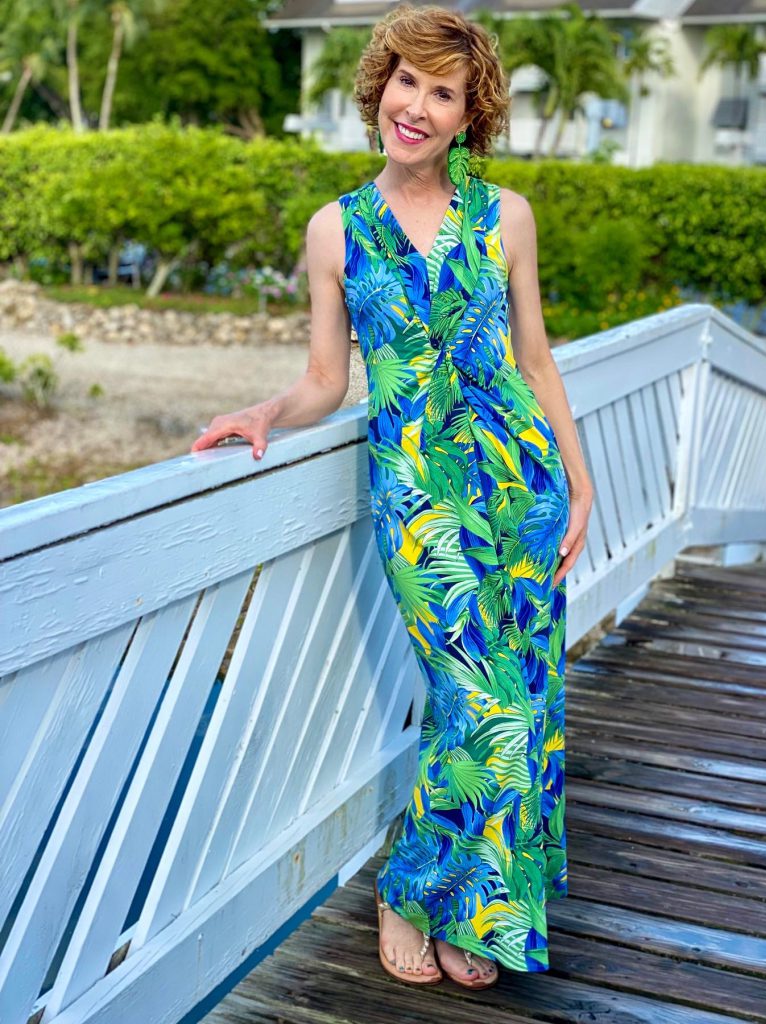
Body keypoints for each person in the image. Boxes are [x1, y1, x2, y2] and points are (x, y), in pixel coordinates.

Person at [191, 2, 593, 992]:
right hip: (419, 496)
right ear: (380, 89)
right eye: (405, 82)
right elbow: (331, 378)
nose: (417, 105)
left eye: (442, 92)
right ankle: (409, 889)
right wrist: (270, 410)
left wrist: (582, 484)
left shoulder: (505, 216)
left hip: (523, 484)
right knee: (477, 697)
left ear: (468, 115)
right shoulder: (338, 229)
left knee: (524, 701)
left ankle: (479, 916)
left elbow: (534, 360)